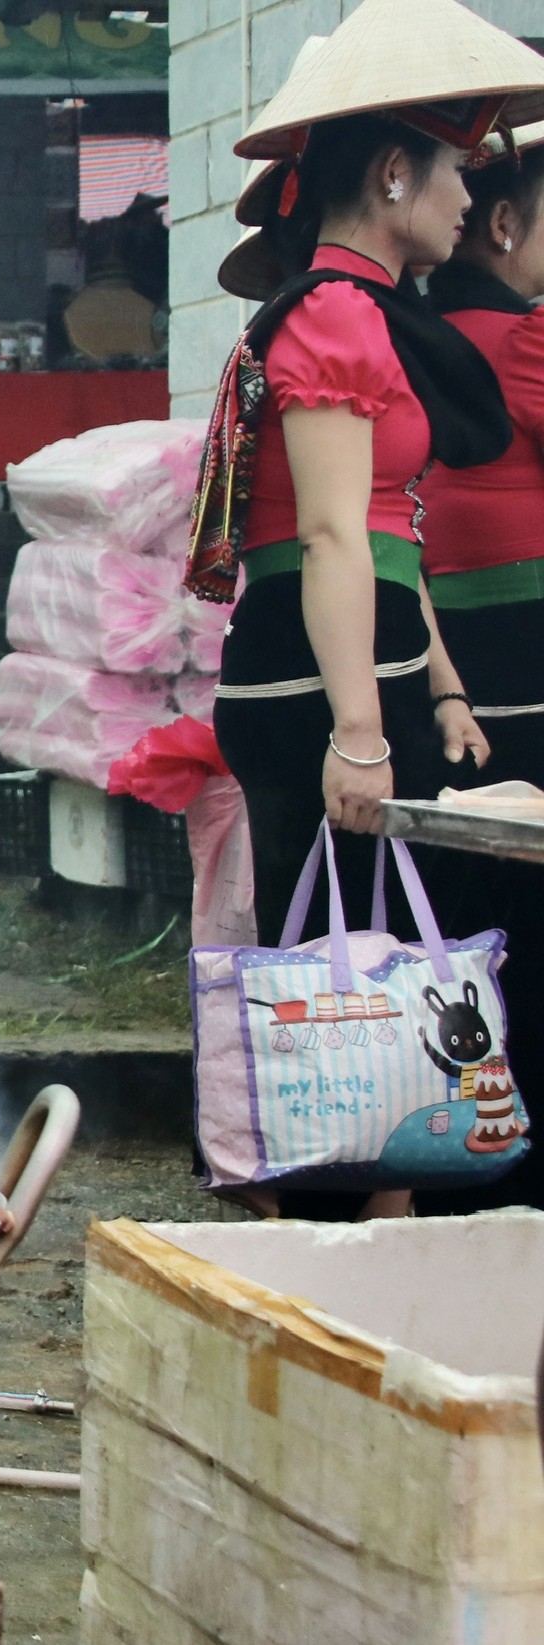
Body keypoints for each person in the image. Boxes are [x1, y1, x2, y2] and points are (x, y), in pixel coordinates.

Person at [189, 0, 544, 1219]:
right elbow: (336, 533)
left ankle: (364, 1207)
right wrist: (357, 725)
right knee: (337, 964)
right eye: (452, 172)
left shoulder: (366, 313)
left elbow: (393, 530)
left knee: (373, 951)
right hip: (314, 675)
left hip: (354, 661)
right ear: (392, 175)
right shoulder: (338, 316)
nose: (466, 200)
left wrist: (434, 682)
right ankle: (333, 1218)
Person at [410, 125, 544, 1207]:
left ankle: (456, 1139)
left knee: (459, 915)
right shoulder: (522, 337)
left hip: (434, 658)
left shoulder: (412, 334)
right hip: (518, 647)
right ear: (503, 225)